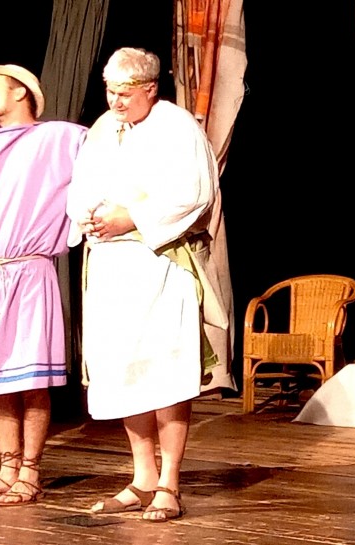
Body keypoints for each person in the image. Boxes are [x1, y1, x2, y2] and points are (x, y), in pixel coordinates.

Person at [66, 47, 223, 522]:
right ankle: (142, 478)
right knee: (125, 371)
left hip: (158, 263)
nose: (115, 101)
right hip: (111, 265)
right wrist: (88, 216)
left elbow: (195, 193)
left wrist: (131, 217)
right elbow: (79, 186)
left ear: (151, 89)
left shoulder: (177, 127)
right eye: (110, 91)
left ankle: (169, 482)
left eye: (125, 93)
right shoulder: (103, 128)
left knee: (164, 370)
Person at [0, 64, 87, 506]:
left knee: (31, 377)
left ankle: (31, 470)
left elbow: (108, 154)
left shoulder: (61, 137)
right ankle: (7, 468)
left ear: (21, 93)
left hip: (29, 269)